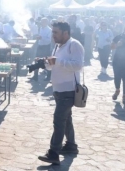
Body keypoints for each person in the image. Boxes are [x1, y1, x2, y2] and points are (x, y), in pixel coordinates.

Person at [38, 22, 84, 165]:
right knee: (66, 119)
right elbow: (52, 66)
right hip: (58, 90)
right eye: (52, 32)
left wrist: (58, 61)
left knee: (59, 120)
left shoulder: (74, 45)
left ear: (66, 33)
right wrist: (45, 63)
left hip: (69, 90)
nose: (53, 35)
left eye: (55, 32)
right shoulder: (57, 46)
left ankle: (53, 153)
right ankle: (71, 146)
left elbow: (78, 65)